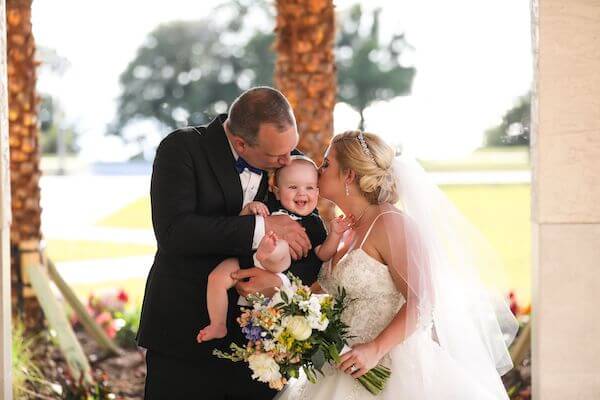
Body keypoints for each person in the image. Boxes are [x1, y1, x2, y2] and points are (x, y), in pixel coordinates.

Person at [276, 131, 519, 400]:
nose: (318, 172)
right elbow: (326, 294)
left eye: (326, 164)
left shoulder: (391, 223)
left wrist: (376, 349)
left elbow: (422, 300)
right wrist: (280, 299)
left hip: (392, 370)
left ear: (349, 175)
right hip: (340, 367)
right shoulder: (342, 231)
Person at [137, 87, 315, 400]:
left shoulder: (291, 164)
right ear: (241, 143)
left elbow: (310, 239)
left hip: (258, 343)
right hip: (184, 332)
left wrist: (278, 279)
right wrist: (261, 227)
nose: (290, 160)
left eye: (293, 149)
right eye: (278, 156)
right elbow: (175, 232)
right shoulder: (182, 149)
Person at [197, 156, 352, 343]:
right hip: (248, 260)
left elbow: (323, 254)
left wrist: (334, 234)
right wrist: (250, 209)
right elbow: (241, 226)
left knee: (281, 247)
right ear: (277, 192)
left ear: (317, 192)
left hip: (280, 270)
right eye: (293, 187)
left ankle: (268, 252)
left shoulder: (314, 222)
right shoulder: (269, 206)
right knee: (216, 277)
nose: (302, 193)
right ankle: (218, 324)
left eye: (309, 188)